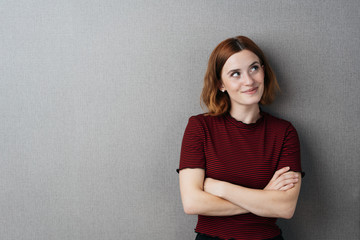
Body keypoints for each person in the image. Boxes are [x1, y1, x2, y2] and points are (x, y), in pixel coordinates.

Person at [178, 36, 304, 240]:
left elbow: (285, 207)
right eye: (235, 74)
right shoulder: (200, 127)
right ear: (221, 84)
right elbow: (192, 202)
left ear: (264, 71)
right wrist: (264, 198)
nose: (249, 81)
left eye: (254, 68)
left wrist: (220, 188)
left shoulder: (284, 133)